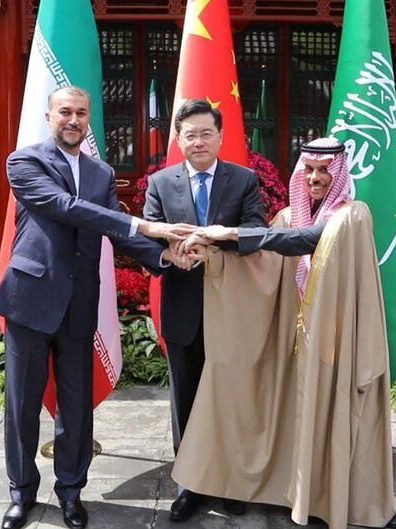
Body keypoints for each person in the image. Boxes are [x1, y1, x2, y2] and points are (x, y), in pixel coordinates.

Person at [0, 86, 193, 529]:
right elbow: (65, 208)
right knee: (22, 404)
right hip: (30, 297)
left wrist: (163, 255)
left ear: (88, 121)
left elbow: (116, 234)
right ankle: (21, 494)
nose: (74, 120)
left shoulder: (101, 173)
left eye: (82, 113)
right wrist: (141, 220)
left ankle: (70, 493)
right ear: (49, 117)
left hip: (80, 301)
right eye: (66, 112)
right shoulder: (24, 162)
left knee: (76, 405)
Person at [173, 137, 396, 529]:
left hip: (335, 340)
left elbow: (311, 239)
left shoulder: (353, 215)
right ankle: (297, 494)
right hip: (292, 340)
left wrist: (229, 233)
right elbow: (261, 265)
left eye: (324, 170)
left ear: (339, 172)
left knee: (334, 413)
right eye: (309, 170)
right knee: (292, 413)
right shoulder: (285, 216)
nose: (315, 178)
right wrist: (212, 254)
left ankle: (337, 501)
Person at [143, 98, 267, 522]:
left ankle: (231, 481)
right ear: (178, 139)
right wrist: (168, 256)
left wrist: (215, 243)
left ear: (220, 136)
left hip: (231, 308)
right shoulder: (160, 183)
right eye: (190, 134)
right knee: (187, 400)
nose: (198, 141)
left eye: (206, 133)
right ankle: (190, 484)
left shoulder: (243, 180)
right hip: (183, 307)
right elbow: (147, 237)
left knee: (231, 397)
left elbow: (257, 232)